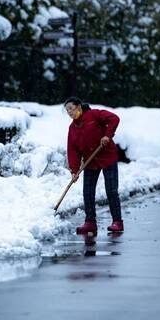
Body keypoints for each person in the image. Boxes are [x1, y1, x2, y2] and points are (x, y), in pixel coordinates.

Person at [65, 96, 123, 236]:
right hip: (90, 162)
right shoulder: (72, 128)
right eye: (67, 111)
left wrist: (107, 136)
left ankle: (117, 221)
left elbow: (114, 118)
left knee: (111, 190)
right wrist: (74, 170)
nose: (70, 112)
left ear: (79, 107)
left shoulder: (94, 115)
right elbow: (72, 150)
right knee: (88, 192)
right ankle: (90, 222)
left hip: (107, 156)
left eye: (71, 109)